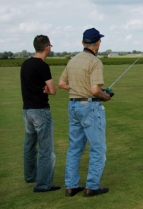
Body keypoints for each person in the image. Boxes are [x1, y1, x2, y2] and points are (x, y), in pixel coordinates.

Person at [58, 28, 112, 197]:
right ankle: (92, 187)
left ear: (83, 43)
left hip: (73, 106)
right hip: (90, 107)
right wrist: (105, 96)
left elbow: (61, 84)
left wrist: (79, 89)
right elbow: (95, 90)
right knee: (98, 148)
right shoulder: (95, 62)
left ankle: (71, 186)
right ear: (98, 44)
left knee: (74, 148)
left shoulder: (72, 60)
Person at [20, 35, 61, 193]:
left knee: (29, 145)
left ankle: (31, 176)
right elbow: (52, 90)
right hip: (41, 111)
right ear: (47, 47)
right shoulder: (42, 66)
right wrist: (46, 89)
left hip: (27, 111)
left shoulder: (25, 64)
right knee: (46, 149)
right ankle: (43, 184)